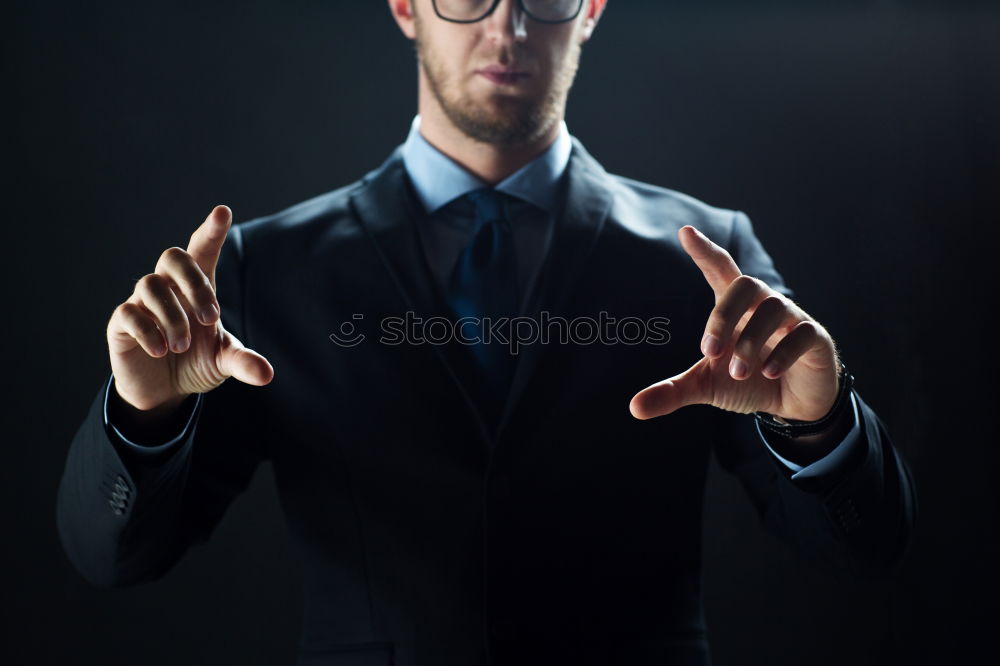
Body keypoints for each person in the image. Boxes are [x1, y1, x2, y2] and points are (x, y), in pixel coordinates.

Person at [56, 1, 917, 665]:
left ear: (591, 9)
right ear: (405, 7)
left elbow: (863, 548)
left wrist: (819, 423)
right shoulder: (264, 269)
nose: (506, 27)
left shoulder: (708, 256)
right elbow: (115, 559)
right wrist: (143, 416)